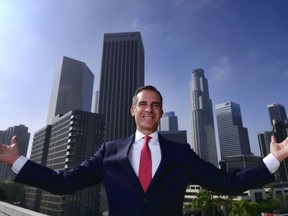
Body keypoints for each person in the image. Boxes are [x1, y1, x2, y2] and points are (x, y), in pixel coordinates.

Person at [0, 85, 288, 216]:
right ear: (133, 110)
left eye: (155, 105)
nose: (148, 109)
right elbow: (64, 184)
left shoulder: (181, 153)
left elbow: (229, 183)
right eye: (143, 104)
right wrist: (18, 162)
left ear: (161, 113)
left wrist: (273, 158)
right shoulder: (108, 152)